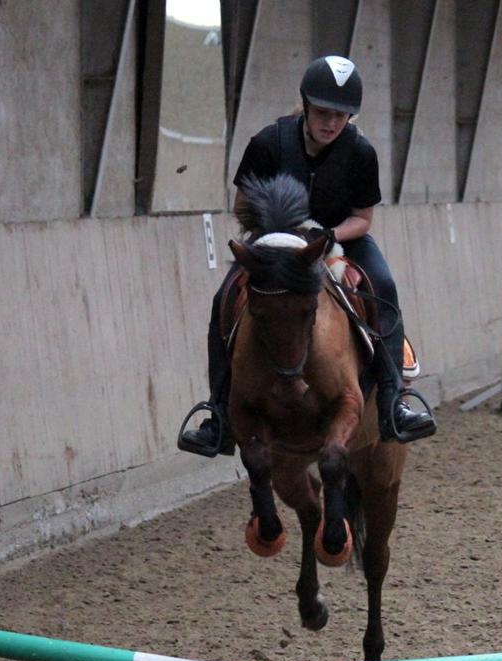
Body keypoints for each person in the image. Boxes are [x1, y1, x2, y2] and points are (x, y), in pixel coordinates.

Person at [178, 55, 436, 457]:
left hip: (341, 236)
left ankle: (393, 402)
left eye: (340, 115)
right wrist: (278, 237)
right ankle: (219, 414)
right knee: (222, 299)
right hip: (276, 242)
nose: (330, 123)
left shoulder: (360, 152)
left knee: (383, 284)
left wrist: (328, 237)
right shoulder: (268, 143)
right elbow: (243, 205)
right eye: (322, 113)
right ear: (306, 106)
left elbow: (362, 218)